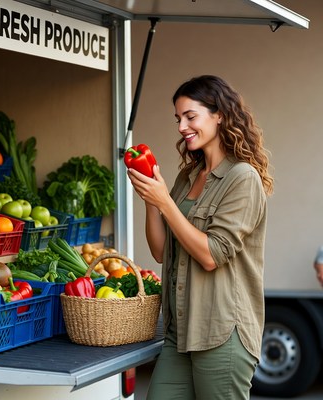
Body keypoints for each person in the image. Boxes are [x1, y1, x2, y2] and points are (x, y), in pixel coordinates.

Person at [126, 75, 274, 400]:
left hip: (222, 333)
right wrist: (153, 203)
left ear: (219, 114)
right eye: (178, 118)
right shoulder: (187, 176)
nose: (181, 126)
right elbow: (161, 251)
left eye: (190, 116)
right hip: (180, 333)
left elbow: (211, 255)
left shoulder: (242, 178)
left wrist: (165, 201)